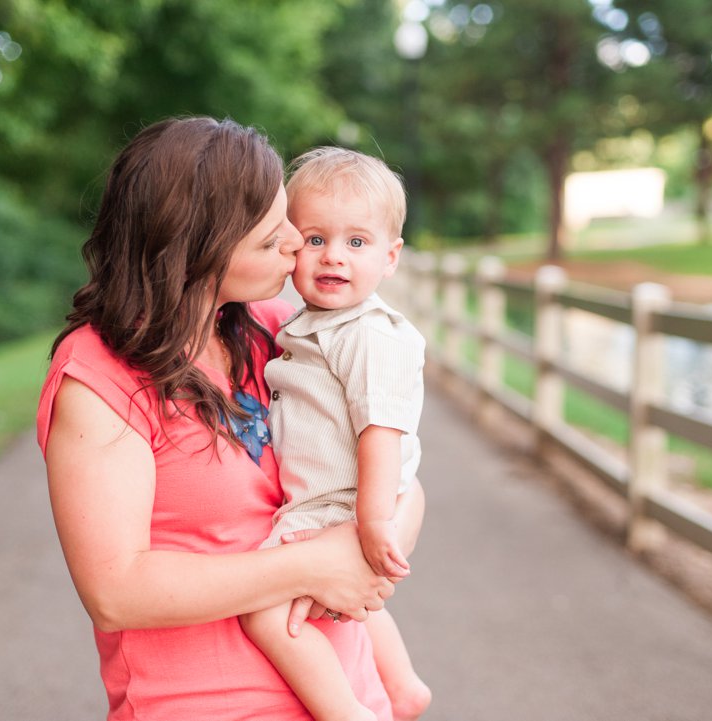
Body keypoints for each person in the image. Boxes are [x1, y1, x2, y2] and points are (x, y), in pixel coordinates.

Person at [36, 117, 425, 721]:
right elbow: (116, 591)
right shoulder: (99, 376)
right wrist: (312, 564)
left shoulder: (278, 331)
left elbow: (399, 474)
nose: (299, 246)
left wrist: (375, 557)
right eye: (275, 239)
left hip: (349, 692)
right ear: (197, 249)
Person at [239, 148, 431, 721]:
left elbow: (381, 430)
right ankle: (402, 689)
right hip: (334, 499)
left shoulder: (367, 334)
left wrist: (372, 524)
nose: (334, 258)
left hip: (341, 505)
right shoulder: (310, 325)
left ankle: (344, 710)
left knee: (266, 611)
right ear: (291, 245)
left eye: (356, 243)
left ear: (390, 256)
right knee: (360, 605)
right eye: (316, 239)